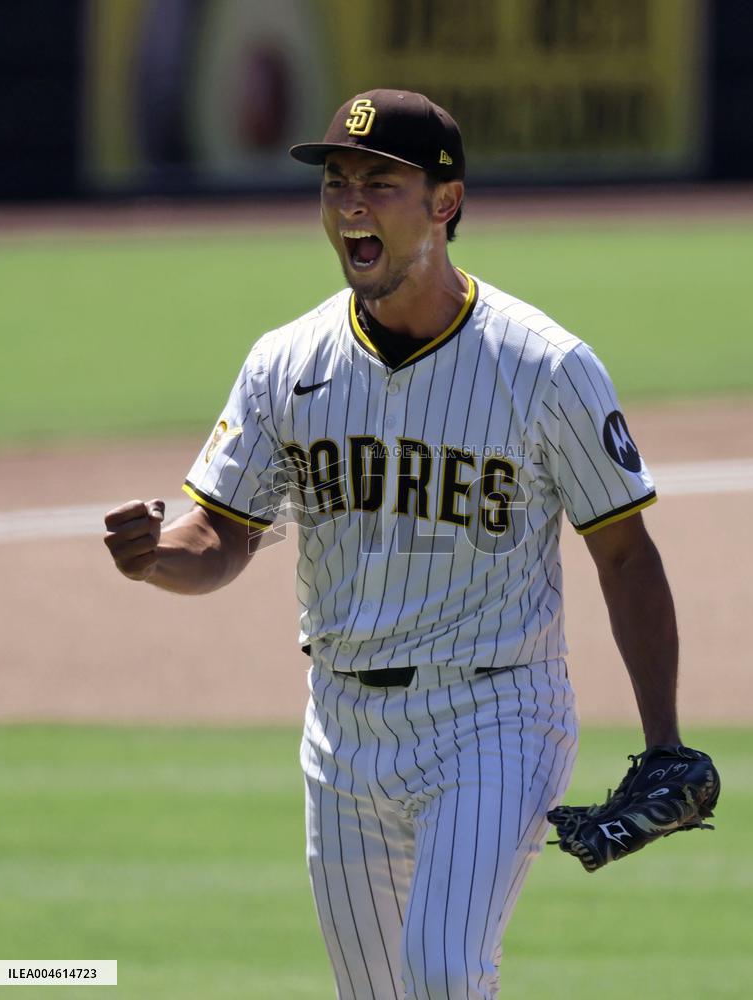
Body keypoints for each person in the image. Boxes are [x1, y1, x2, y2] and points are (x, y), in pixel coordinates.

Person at [104, 90, 681, 999]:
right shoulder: (285, 363)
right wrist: (155, 559)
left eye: (380, 183)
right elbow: (219, 534)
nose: (351, 206)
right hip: (340, 729)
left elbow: (625, 551)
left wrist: (665, 740)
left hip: (497, 713)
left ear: (444, 204)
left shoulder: (544, 365)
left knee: (445, 974)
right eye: (337, 184)